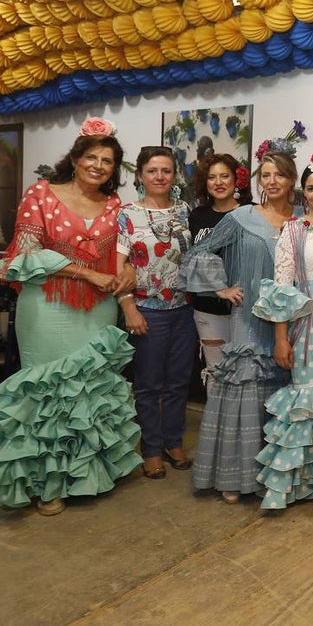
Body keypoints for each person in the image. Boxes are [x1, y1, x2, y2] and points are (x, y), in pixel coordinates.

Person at [0, 117, 140, 516]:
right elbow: (26, 253)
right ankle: (47, 484)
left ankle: (85, 476)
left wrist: (129, 270)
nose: (98, 165)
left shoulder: (115, 205)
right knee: (47, 392)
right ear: (76, 158)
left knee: (89, 391)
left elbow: (126, 250)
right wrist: (85, 272)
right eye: (92, 157)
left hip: (98, 308)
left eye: (107, 160)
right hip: (46, 305)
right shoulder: (41, 194)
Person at [181, 150, 299, 504]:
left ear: (292, 179)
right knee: (243, 392)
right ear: (258, 181)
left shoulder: (304, 219)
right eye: (266, 175)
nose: (272, 181)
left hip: (294, 323)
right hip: (249, 321)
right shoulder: (242, 216)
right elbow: (198, 253)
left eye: (279, 174)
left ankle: (278, 476)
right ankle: (235, 476)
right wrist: (221, 288)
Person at [251, 151, 313, 509]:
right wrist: (280, 338)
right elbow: (281, 286)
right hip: (307, 325)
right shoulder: (294, 229)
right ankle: (297, 483)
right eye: (311, 187)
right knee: (307, 400)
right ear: (303, 192)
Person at [116, 146, 196, 481]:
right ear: (140, 175)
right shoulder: (127, 214)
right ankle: (150, 449)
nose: (160, 177)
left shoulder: (185, 210)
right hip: (147, 310)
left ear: (174, 175)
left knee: (179, 383)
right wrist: (129, 307)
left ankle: (173, 442)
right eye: (152, 171)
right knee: (148, 385)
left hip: (184, 309)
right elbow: (118, 266)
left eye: (166, 171)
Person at [188, 154, 246, 376]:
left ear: (236, 180)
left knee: (243, 374)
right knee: (215, 373)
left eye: (225, 176)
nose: (218, 182)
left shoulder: (250, 212)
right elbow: (191, 261)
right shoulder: (197, 216)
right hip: (207, 309)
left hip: (244, 309)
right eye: (212, 177)